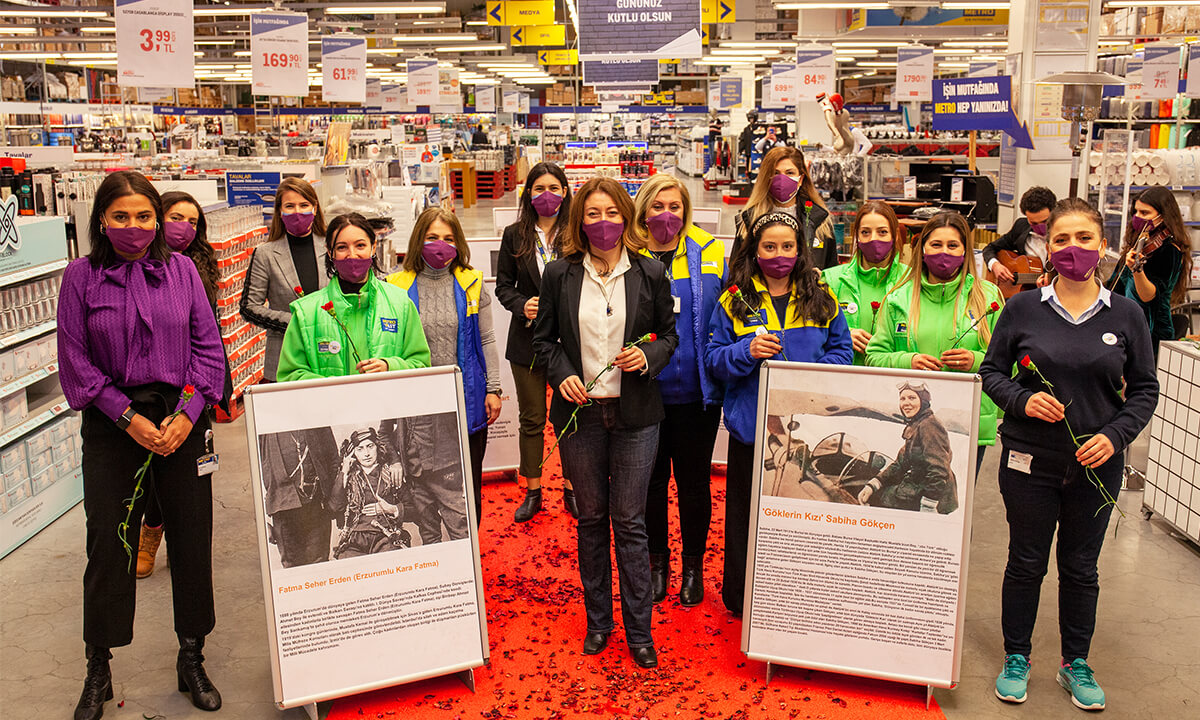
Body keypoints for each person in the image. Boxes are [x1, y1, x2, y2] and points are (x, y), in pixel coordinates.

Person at [58, 171, 227, 718]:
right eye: (121, 217)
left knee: (191, 536)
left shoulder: (182, 272)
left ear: (157, 220)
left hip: (182, 418)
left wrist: (190, 413)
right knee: (109, 544)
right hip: (113, 423)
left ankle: (192, 655)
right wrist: (126, 416)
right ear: (102, 221)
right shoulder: (81, 278)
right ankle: (98, 666)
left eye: (144, 216)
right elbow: (75, 361)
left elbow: (208, 346)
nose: (135, 227)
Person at [980, 198, 1158, 711]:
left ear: (1102, 247)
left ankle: (1074, 663)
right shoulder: (1021, 309)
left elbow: (1145, 388)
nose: (1073, 248)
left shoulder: (1126, 315)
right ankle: (1018, 656)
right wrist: (1021, 398)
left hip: (1096, 466)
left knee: (1081, 568)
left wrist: (1117, 436)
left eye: (1084, 238)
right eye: (1062, 239)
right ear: (1047, 247)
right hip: (1028, 462)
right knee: (1025, 562)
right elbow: (992, 373)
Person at [532, 177, 679, 668]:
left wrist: (646, 354)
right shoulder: (559, 274)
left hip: (636, 415)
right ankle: (599, 624)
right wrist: (564, 376)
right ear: (580, 220)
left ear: (626, 218)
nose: (603, 223)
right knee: (591, 519)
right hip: (580, 416)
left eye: (611, 213)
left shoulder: (652, 271)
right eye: (592, 214)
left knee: (630, 522)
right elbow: (543, 342)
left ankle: (640, 633)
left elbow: (670, 338)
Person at [706, 211, 853, 616]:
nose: (779, 255)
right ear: (754, 250)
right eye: (769, 247)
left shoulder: (820, 296)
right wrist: (745, 352)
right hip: (754, 432)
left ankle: (795, 599)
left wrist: (806, 376)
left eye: (787, 247)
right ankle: (739, 599)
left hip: (807, 432)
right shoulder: (734, 300)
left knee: (801, 518)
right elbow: (714, 360)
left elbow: (843, 351)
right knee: (745, 519)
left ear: (800, 250)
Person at [632, 174, 726, 606]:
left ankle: (692, 567)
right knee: (650, 483)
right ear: (643, 211)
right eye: (657, 206)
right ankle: (656, 563)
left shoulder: (709, 251)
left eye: (675, 206)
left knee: (693, 483)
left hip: (695, 392)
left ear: (686, 211)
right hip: (643, 390)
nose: (666, 215)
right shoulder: (629, 253)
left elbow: (727, 309)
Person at [134, 191, 234, 579]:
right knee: (158, 464)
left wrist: (210, 382)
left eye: (194, 222)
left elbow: (209, 330)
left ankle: (179, 537)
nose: (186, 228)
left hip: (199, 380)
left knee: (188, 467)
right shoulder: (145, 266)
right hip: (160, 384)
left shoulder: (201, 266)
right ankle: (152, 530)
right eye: (177, 217)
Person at [388, 208, 502, 530]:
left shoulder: (471, 283)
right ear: (418, 241)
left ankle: (469, 560)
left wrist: (493, 388)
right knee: (421, 489)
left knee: (467, 488)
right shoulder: (395, 287)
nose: (441, 245)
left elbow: (488, 339)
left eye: (449, 239)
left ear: (459, 243)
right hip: (417, 409)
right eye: (432, 238)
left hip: (466, 401)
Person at [865, 211, 1004, 476]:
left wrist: (975, 360)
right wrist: (909, 361)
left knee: (955, 507)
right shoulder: (898, 299)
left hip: (968, 424)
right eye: (936, 245)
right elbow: (875, 356)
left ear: (965, 251)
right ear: (922, 249)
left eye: (953, 246)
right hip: (912, 427)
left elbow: (1009, 362)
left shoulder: (988, 297)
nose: (944, 253)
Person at [495, 162, 578, 522]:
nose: (547, 194)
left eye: (555, 187)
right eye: (539, 187)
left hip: (571, 343)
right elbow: (503, 287)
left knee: (572, 419)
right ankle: (533, 489)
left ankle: (574, 487)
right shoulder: (515, 235)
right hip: (527, 341)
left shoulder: (577, 232)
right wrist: (521, 305)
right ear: (528, 193)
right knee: (532, 419)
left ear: (565, 192)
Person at [276, 212, 430, 382]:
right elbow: (289, 376)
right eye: (342, 247)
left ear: (373, 247)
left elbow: (421, 364)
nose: (352, 254)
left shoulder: (400, 303)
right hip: (331, 408)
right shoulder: (306, 312)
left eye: (360, 245)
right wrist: (333, 388)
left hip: (387, 406)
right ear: (330, 252)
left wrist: (390, 366)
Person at [241, 177, 329, 382]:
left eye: (304, 205)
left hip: (330, 352)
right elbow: (249, 307)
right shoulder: (266, 253)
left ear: (315, 208)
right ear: (279, 212)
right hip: (284, 355)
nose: (297, 211)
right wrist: (294, 322)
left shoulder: (331, 247)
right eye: (289, 206)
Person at [1106, 185, 1193, 355]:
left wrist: (1137, 269)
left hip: (1151, 330)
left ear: (1163, 216)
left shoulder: (1170, 250)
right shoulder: (1141, 241)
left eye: (1145, 213)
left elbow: (1148, 296)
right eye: (1136, 212)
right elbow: (1116, 283)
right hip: (1125, 323)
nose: (1138, 217)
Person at [822, 201, 907, 365]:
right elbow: (811, 334)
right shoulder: (831, 280)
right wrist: (842, 335)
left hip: (895, 383)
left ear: (894, 235)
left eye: (882, 232)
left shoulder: (911, 280)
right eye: (865, 232)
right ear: (856, 236)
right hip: (843, 379)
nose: (873, 239)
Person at [733, 146, 838, 270]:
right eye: (775, 173)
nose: (782, 179)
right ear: (766, 178)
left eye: (789, 173)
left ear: (801, 179)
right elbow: (737, 271)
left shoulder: (820, 221)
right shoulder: (748, 221)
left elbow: (831, 271)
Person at [857, 382, 958, 513]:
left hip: (932, 496)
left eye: (912, 398)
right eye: (902, 398)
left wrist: (929, 505)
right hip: (918, 486)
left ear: (923, 401)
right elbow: (900, 464)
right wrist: (874, 484)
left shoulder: (930, 425)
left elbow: (938, 469)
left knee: (878, 501)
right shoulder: (917, 424)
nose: (906, 403)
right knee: (877, 494)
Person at [258, 427, 344, 567]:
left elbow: (333, 460)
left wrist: (336, 503)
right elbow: (251, 475)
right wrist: (261, 521)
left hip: (318, 505)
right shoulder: (264, 427)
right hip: (283, 509)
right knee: (292, 567)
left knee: (320, 565)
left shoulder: (314, 418)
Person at [333, 428, 412, 558]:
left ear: (377, 447)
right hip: (355, 540)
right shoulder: (349, 478)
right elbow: (334, 507)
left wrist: (391, 509)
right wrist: (344, 472)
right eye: (360, 449)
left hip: (386, 536)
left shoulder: (391, 475)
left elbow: (414, 510)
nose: (366, 453)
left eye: (370, 446)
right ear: (353, 454)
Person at [983, 186, 1057, 286]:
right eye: (1033, 223)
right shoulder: (1021, 227)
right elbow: (990, 248)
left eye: (1045, 221)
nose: (1040, 227)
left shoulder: (1065, 236)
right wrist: (995, 265)